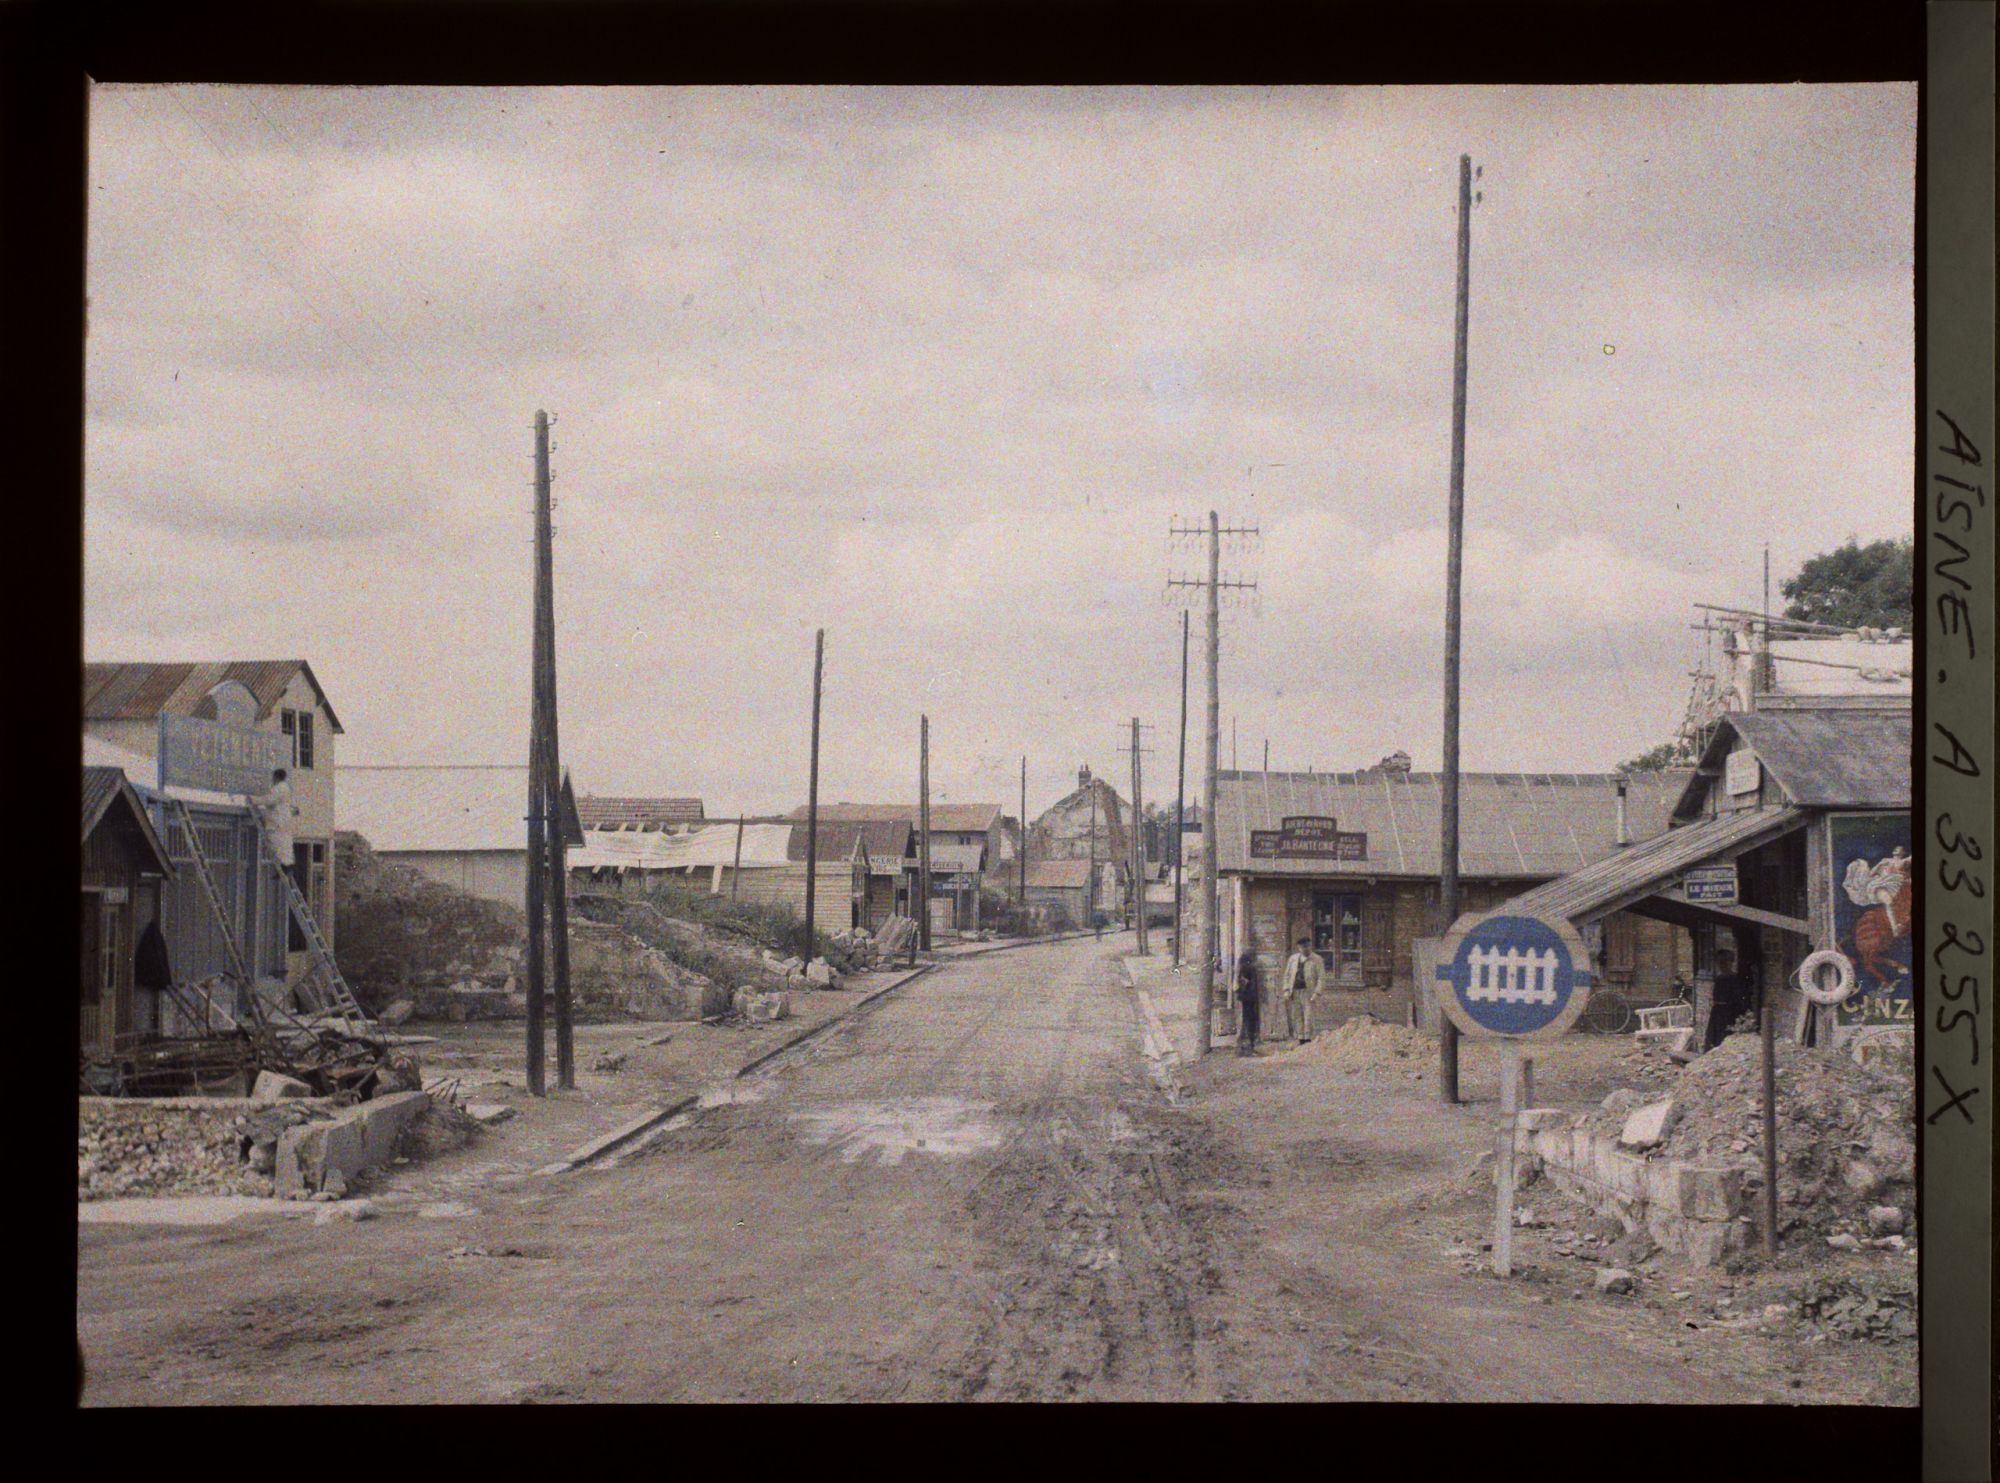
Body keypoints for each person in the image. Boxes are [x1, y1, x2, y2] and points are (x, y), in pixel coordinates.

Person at [1282, 936, 1324, 1044]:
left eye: (1308, 946)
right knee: (1297, 1015)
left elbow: (1321, 978)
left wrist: (1316, 993)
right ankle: (1300, 1039)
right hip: (1295, 991)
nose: (1306, 949)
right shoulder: (1293, 959)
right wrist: (1286, 990)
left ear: (1311, 946)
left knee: (1308, 1015)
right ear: (1298, 948)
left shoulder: (1317, 959)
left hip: (1308, 992)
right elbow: (1287, 975)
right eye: (1303, 947)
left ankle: (1308, 1039)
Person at [1235, 948, 1262, 1056]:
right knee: (1250, 1022)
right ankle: (1248, 1048)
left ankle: (1246, 1047)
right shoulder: (1248, 968)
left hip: (1246, 998)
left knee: (1247, 1022)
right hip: (1249, 999)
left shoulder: (1244, 967)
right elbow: (1245, 983)